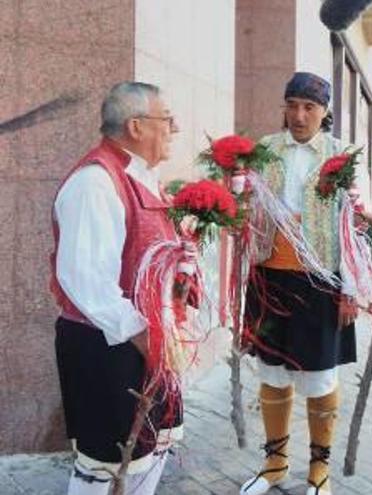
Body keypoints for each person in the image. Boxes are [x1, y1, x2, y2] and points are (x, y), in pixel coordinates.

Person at [239, 71, 372, 495]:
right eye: (292, 105)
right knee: (271, 372)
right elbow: (246, 204)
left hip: (322, 281)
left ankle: (319, 470)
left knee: (320, 378)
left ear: (324, 113)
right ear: (283, 107)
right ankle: (274, 463)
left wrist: (351, 290)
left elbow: (360, 225)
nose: (299, 115)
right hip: (269, 276)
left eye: (309, 107)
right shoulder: (265, 150)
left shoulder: (343, 156)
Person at [51, 82, 181, 495]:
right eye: (166, 119)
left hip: (144, 338)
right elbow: (84, 278)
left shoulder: (144, 177)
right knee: (105, 467)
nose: (173, 127)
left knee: (148, 453)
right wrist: (144, 335)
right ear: (137, 126)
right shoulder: (95, 182)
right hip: (110, 344)